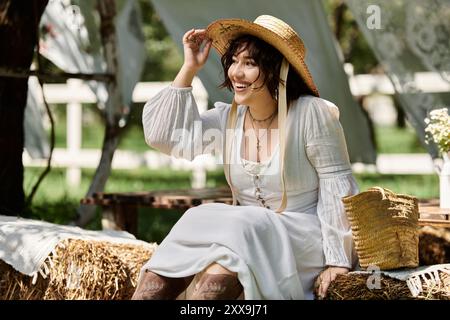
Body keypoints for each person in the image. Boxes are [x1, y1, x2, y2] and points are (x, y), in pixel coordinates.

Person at [132, 15, 359, 300]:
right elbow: (165, 137)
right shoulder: (228, 118)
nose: (236, 73)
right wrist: (189, 68)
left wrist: (338, 261)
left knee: (241, 225)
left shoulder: (311, 114)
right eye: (234, 62)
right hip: (241, 240)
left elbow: (337, 185)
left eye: (250, 64)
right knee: (203, 223)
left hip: (303, 238)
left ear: (277, 70)